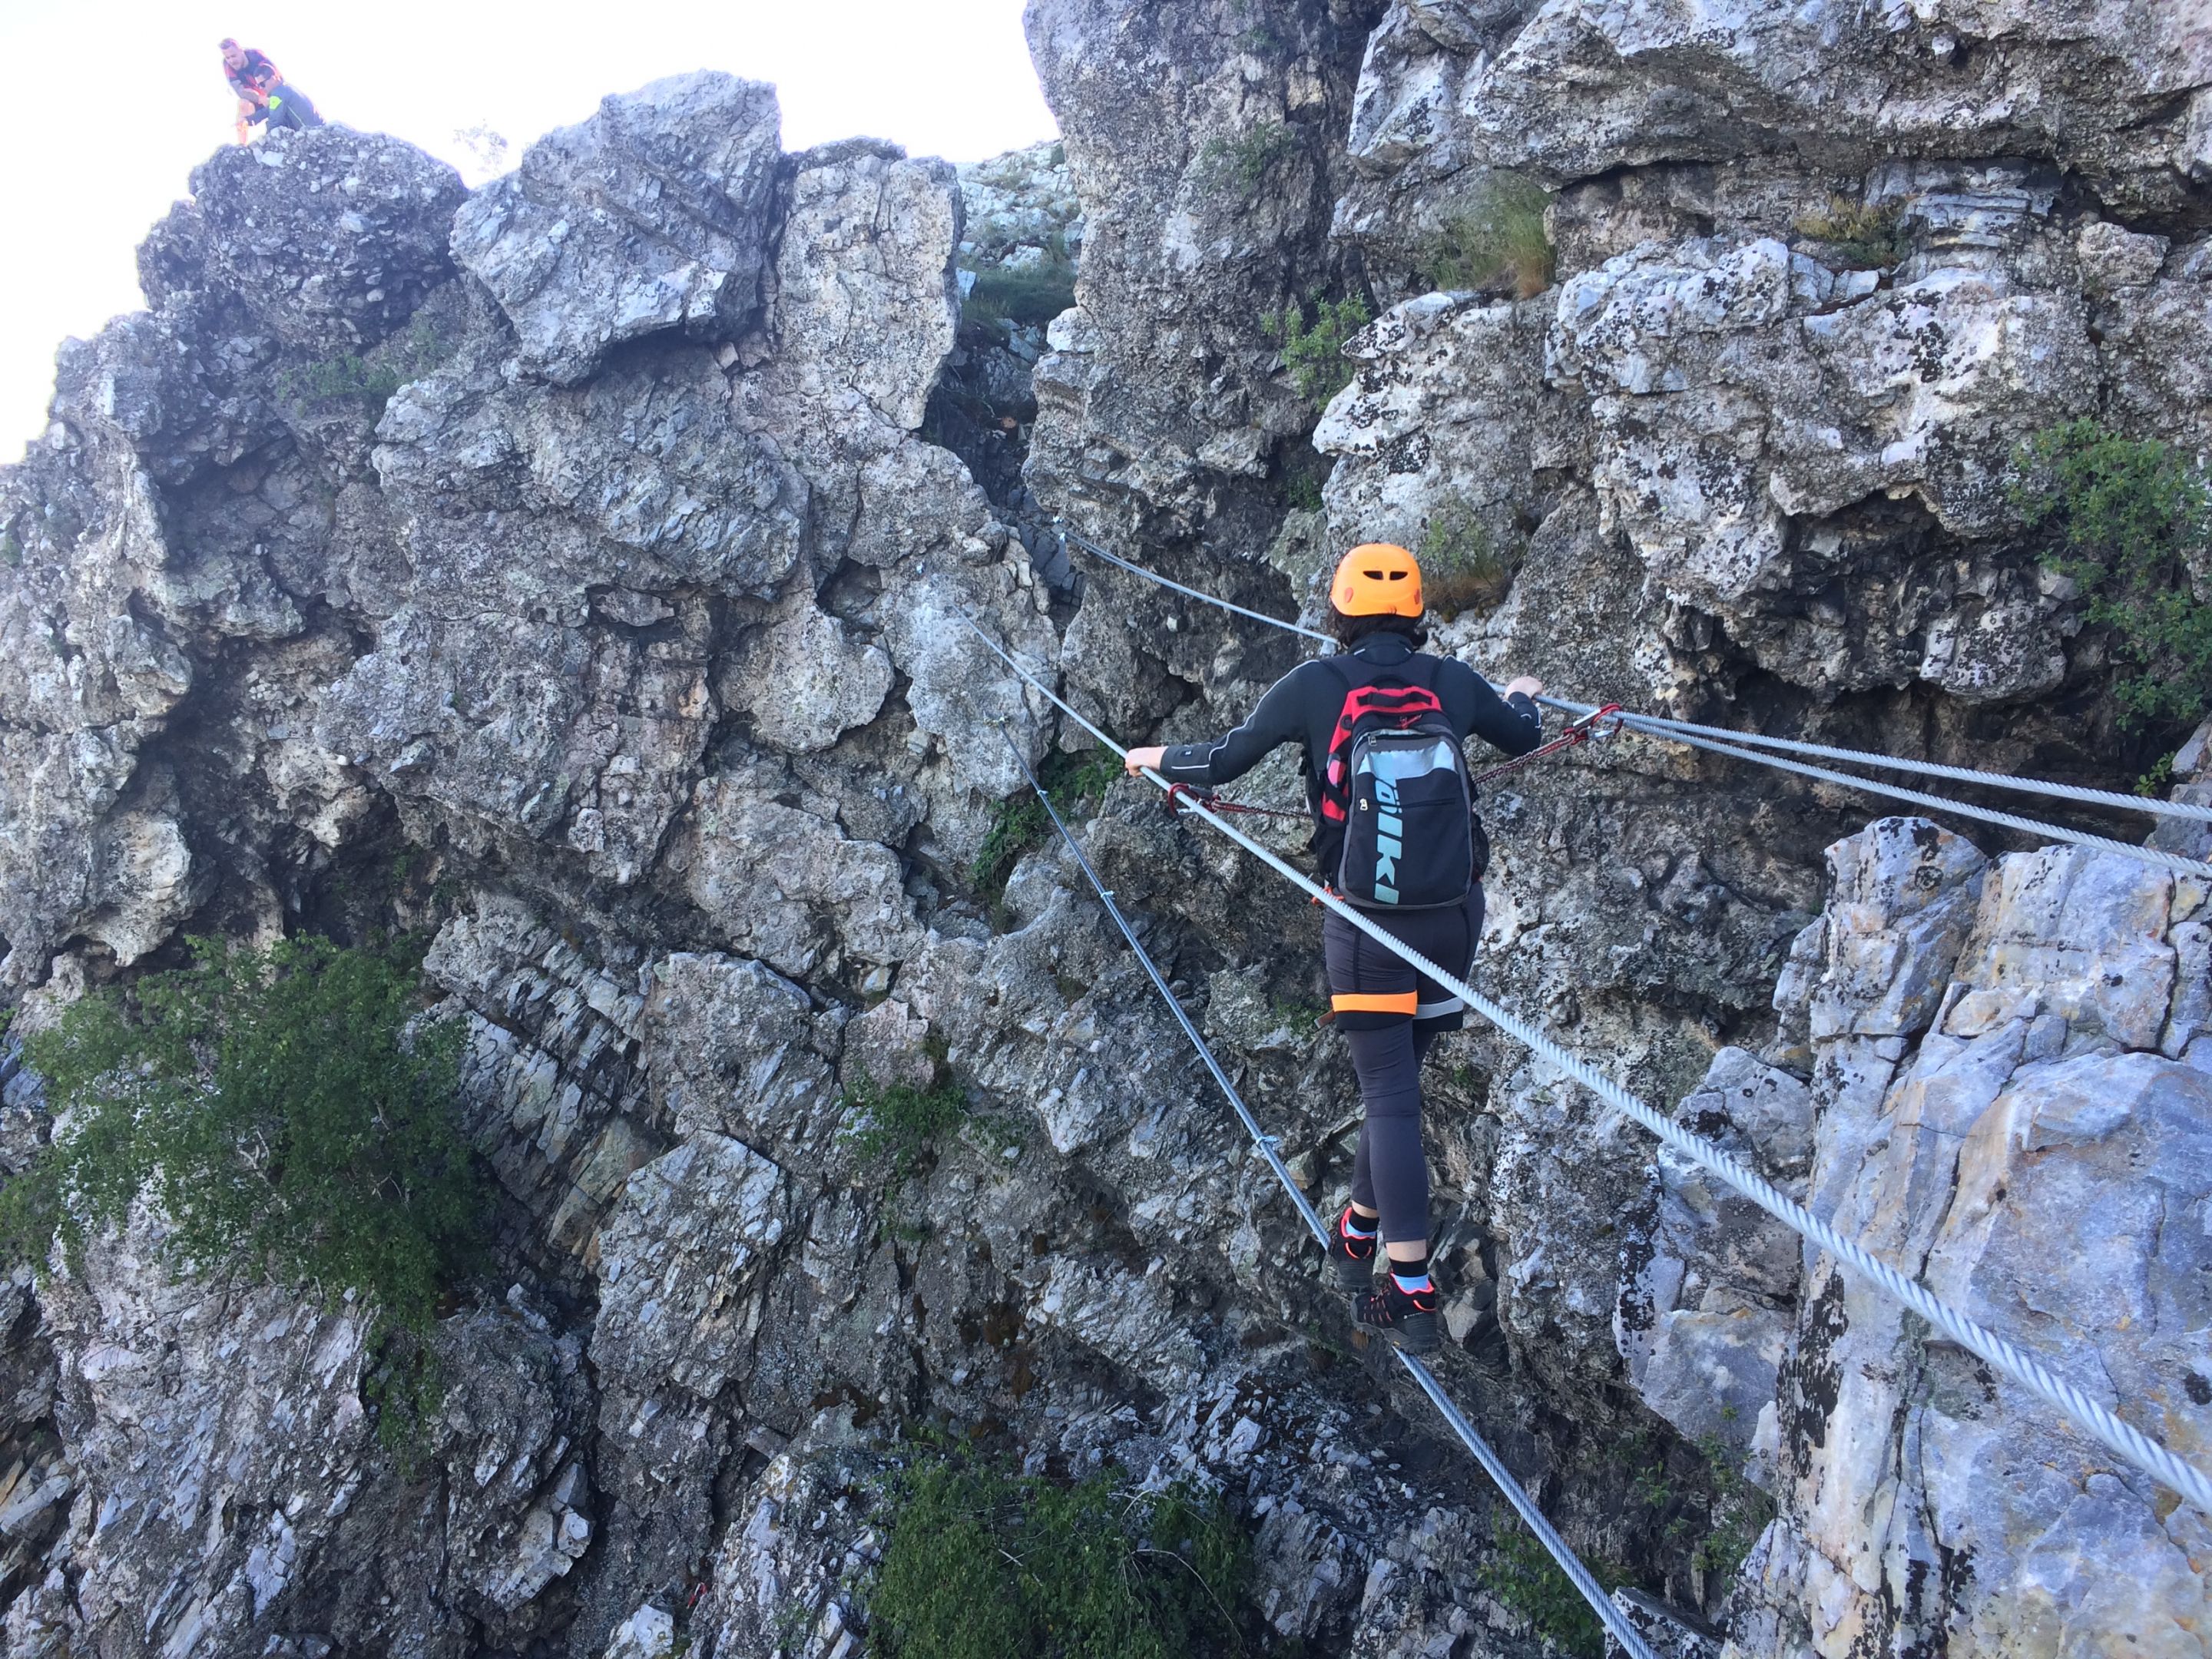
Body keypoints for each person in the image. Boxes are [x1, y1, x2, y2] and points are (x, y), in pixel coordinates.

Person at [1122, 542, 1545, 1354]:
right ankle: (1358, 1234)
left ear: (1339, 612)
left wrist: (1156, 759)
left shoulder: (1315, 686)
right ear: (1416, 611)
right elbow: (1521, 733)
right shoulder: (1452, 682)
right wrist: (1523, 695)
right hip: (1453, 919)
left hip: (1369, 927)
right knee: (1398, 1089)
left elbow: (1225, 760)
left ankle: (1413, 1292)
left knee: (1391, 1102)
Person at [221, 38, 323, 146]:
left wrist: (264, 144)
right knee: (244, 104)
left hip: (315, 135)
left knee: (278, 120)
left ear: (273, 79)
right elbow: (270, 108)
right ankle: (242, 146)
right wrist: (248, 120)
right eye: (227, 58)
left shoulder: (279, 93)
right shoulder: (284, 90)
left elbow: (274, 122)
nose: (261, 88)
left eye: (262, 84)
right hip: (310, 130)